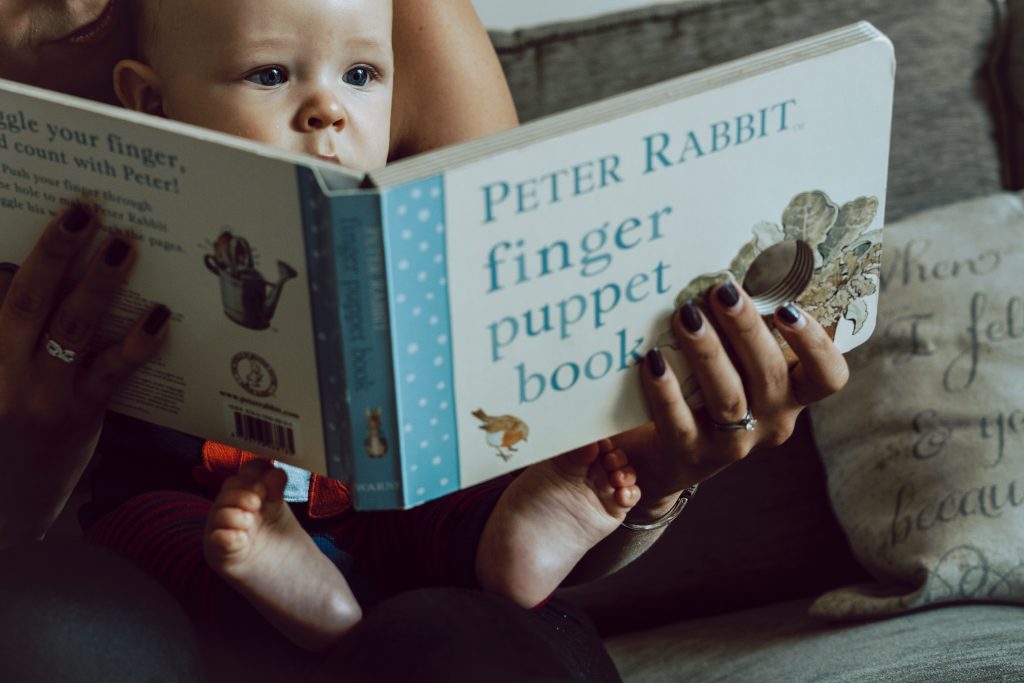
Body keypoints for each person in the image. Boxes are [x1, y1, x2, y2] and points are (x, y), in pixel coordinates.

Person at [0, 0, 850, 680]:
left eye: (364, 76)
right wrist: (27, 457)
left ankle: (514, 537)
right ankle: (298, 590)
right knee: (124, 575)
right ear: (148, 96)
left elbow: (503, 372)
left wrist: (648, 464)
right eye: (268, 75)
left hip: (404, 522)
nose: (330, 106)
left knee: (451, 575)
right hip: (173, 523)